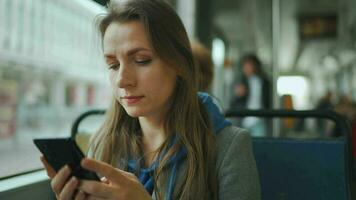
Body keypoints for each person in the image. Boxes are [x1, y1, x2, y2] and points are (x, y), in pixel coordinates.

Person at [40, 0, 260, 199]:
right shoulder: (103, 143)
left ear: (178, 64)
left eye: (141, 60)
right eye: (113, 65)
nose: (122, 80)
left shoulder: (229, 147)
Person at [230, 54, 271, 137]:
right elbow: (231, 102)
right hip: (243, 120)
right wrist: (237, 95)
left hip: (259, 119)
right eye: (245, 65)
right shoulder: (238, 81)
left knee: (260, 145)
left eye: (249, 64)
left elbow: (268, 101)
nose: (247, 67)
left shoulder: (264, 81)